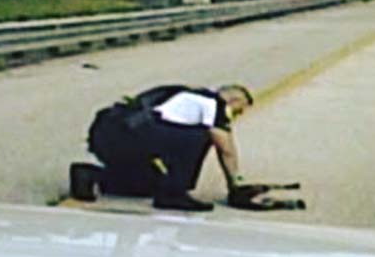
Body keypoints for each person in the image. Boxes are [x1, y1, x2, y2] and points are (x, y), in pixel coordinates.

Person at [73, 83, 254, 212]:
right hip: (130, 136)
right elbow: (225, 149)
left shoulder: (182, 95)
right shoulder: (213, 104)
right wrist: (235, 187)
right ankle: (175, 194)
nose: (237, 115)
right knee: (201, 136)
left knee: (153, 183)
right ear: (233, 99)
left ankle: (89, 175)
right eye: (239, 109)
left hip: (109, 135)